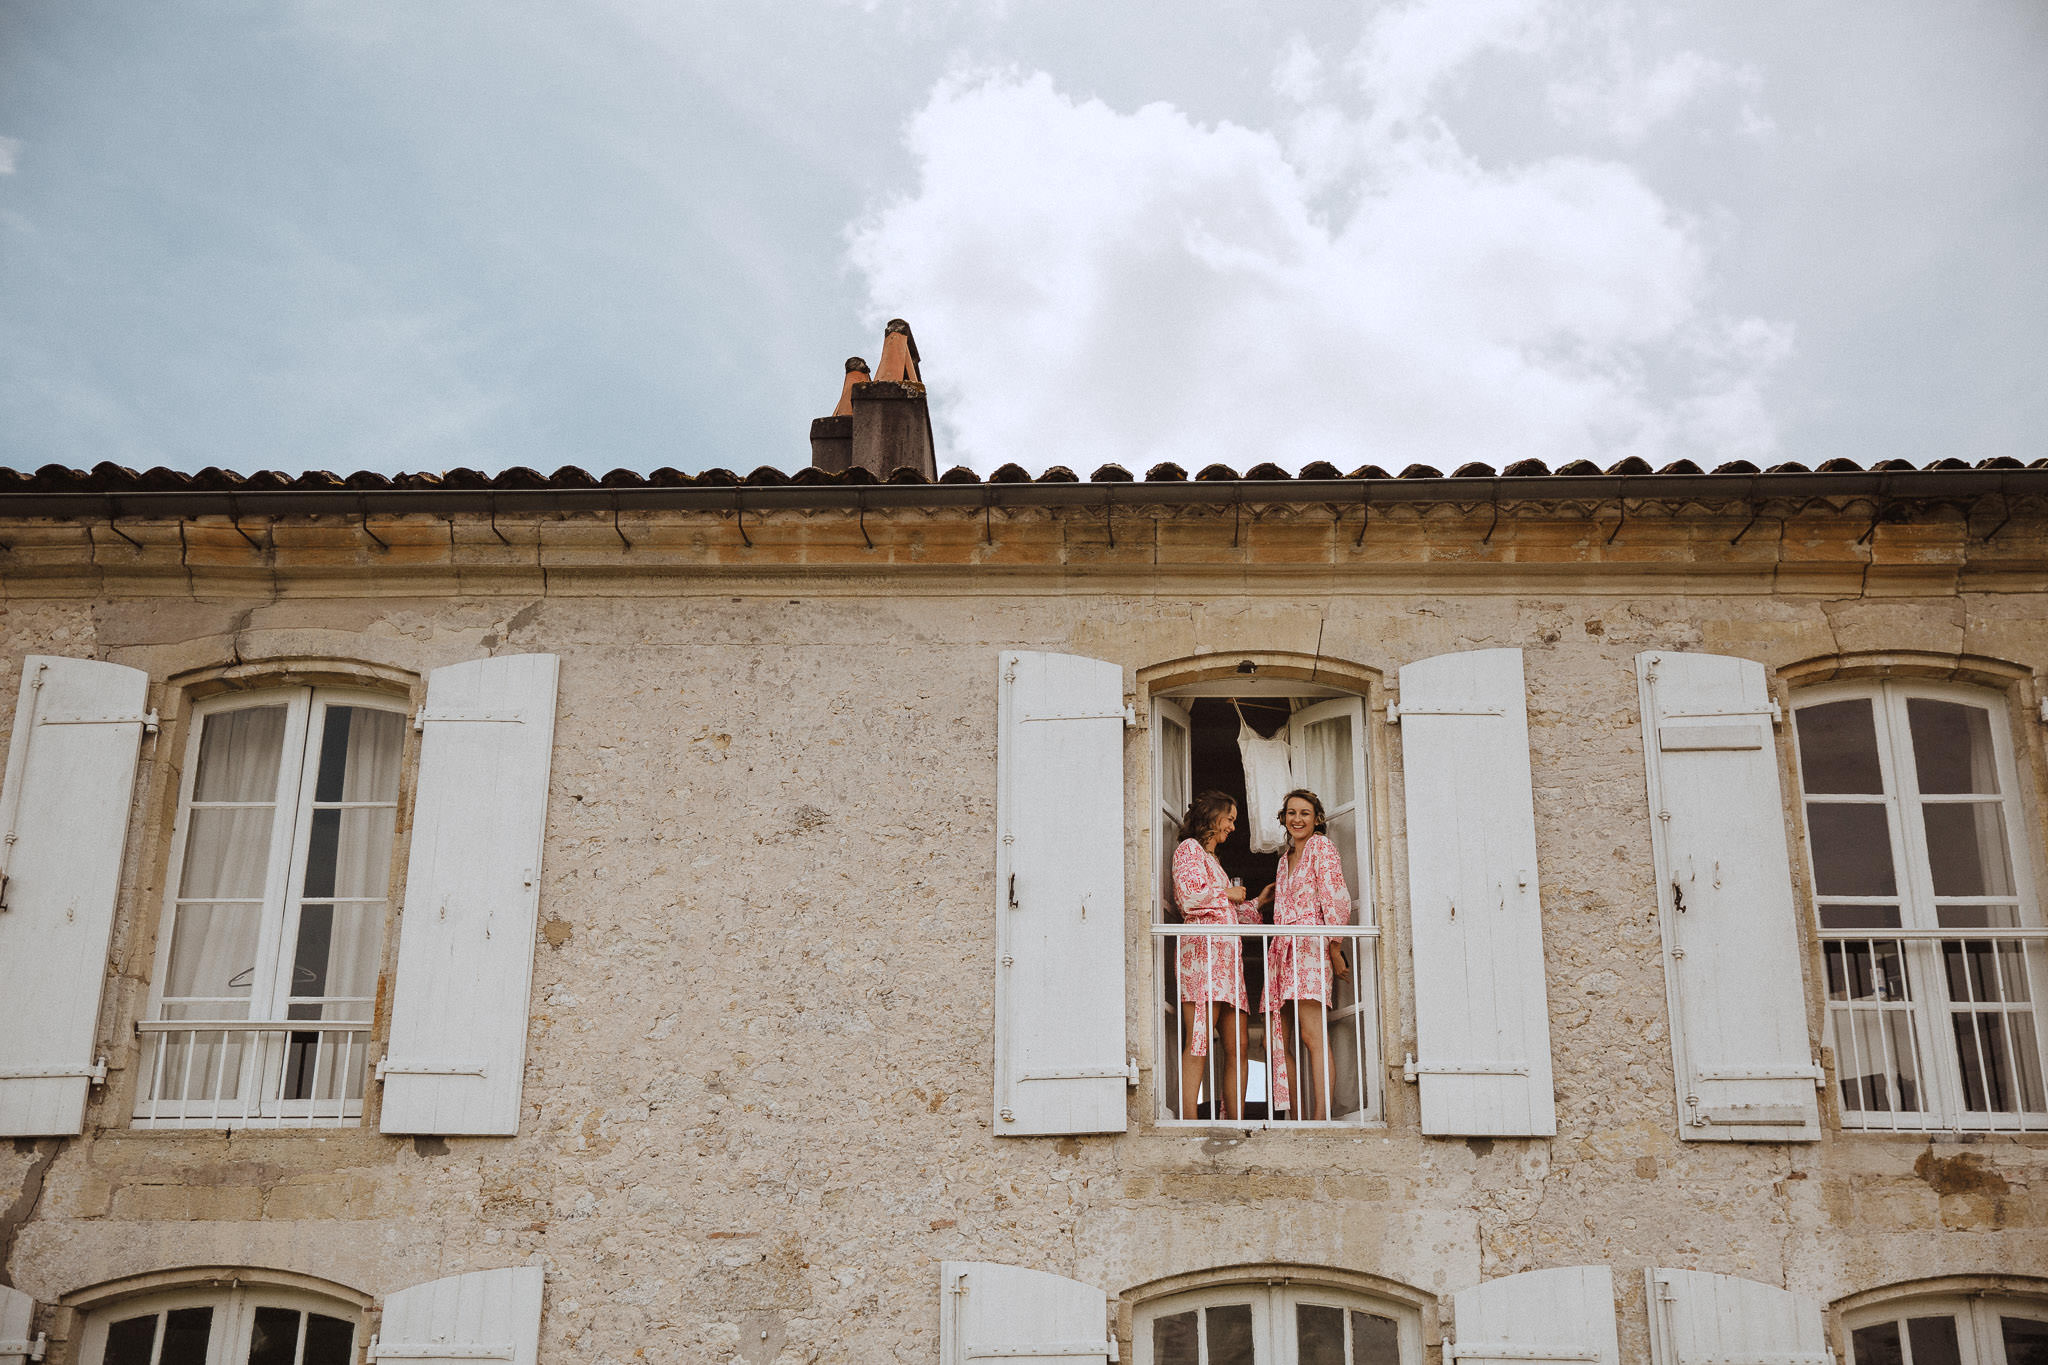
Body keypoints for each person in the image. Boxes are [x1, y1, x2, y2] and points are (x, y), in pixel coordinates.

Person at [1171, 790, 1269, 1120]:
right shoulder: (1189, 850)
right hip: (1203, 959)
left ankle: (1234, 1120)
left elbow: (1230, 913)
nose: (1232, 826)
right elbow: (1188, 899)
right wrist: (1226, 893)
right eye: (1229, 819)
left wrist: (1257, 903)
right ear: (1212, 817)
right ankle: (1189, 1120)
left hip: (1229, 964)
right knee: (1199, 1040)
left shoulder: (1215, 862)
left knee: (1239, 1045)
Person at [1263, 789, 1352, 1120]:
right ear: (1283, 819)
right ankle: (1296, 1117)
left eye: (1304, 813)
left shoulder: (1321, 848)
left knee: (1313, 1035)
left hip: (1310, 950)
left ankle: (1319, 1118)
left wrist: (1335, 948)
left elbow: (1336, 899)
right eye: (1291, 813)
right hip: (1282, 954)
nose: (1297, 819)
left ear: (1317, 819)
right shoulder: (1284, 860)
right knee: (1279, 1040)